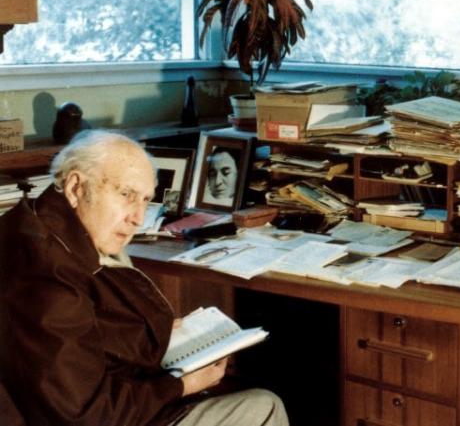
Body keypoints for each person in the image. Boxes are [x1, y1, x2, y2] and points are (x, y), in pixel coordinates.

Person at [0, 130, 288, 426]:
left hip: (104, 400)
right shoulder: (47, 276)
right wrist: (182, 384)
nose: (138, 217)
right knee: (264, 406)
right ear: (76, 187)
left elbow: (81, 335)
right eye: (126, 195)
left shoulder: (36, 227)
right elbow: (87, 415)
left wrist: (161, 332)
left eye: (145, 200)